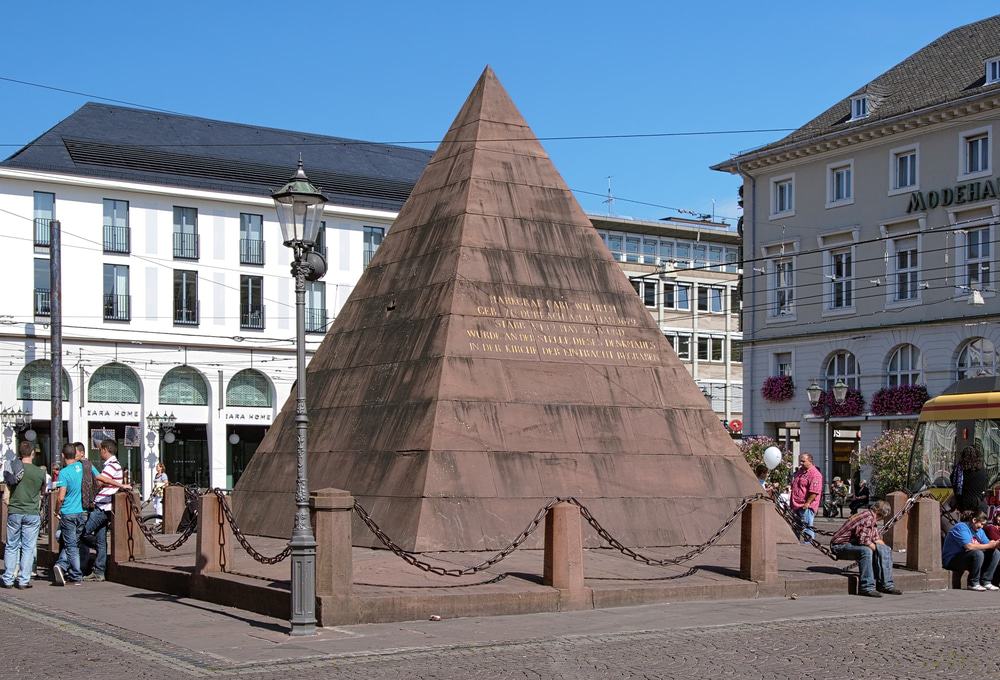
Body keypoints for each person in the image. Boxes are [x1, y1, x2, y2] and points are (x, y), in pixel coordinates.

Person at [80, 439, 131, 582]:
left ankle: (97, 562)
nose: (99, 452)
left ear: (105, 450)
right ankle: (99, 571)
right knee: (101, 540)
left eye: (100, 449)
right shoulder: (114, 465)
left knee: (82, 532)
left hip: (103, 507)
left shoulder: (111, 466)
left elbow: (101, 481)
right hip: (104, 505)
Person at [829, 500, 902, 597]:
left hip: (850, 544)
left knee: (885, 549)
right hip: (839, 546)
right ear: (880, 514)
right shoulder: (868, 518)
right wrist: (879, 552)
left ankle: (886, 585)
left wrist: (885, 550)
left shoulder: (872, 517)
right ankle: (867, 587)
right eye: (883, 517)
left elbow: (876, 539)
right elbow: (864, 541)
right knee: (866, 551)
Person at [1, 442, 46, 589]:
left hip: (15, 511)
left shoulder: (14, 468)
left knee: (11, 546)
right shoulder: (40, 472)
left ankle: (8, 578)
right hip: (31, 513)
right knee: (28, 547)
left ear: (20, 453)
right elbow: (44, 491)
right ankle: (23, 580)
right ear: (32, 453)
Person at [52, 444, 89, 586]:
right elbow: (99, 478)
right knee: (73, 543)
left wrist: (56, 510)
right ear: (76, 454)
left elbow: (61, 497)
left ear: (63, 455)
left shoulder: (64, 472)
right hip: (83, 512)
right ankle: (62, 566)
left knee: (71, 545)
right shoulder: (84, 468)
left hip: (68, 512)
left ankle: (75, 574)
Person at [942, 510, 1000, 591]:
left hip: (966, 557)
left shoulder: (980, 531)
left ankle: (986, 581)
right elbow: (969, 546)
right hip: (952, 560)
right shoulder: (961, 527)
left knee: (995, 553)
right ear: (974, 520)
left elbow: (988, 544)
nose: (982, 527)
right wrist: (990, 545)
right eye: (981, 524)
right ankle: (973, 583)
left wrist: (996, 544)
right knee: (977, 553)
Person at [790, 453, 823, 543]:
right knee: (795, 526)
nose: (801, 463)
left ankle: (808, 545)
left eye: (803, 461)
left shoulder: (815, 474)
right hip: (796, 505)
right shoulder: (800, 471)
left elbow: (814, 492)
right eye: (800, 460)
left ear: (810, 461)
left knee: (807, 527)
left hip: (806, 506)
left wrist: (807, 503)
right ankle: (795, 543)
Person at [954, 445, 989, 513]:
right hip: (979, 507)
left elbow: (955, 485)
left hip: (962, 506)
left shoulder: (959, 470)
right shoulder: (982, 471)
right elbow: (985, 488)